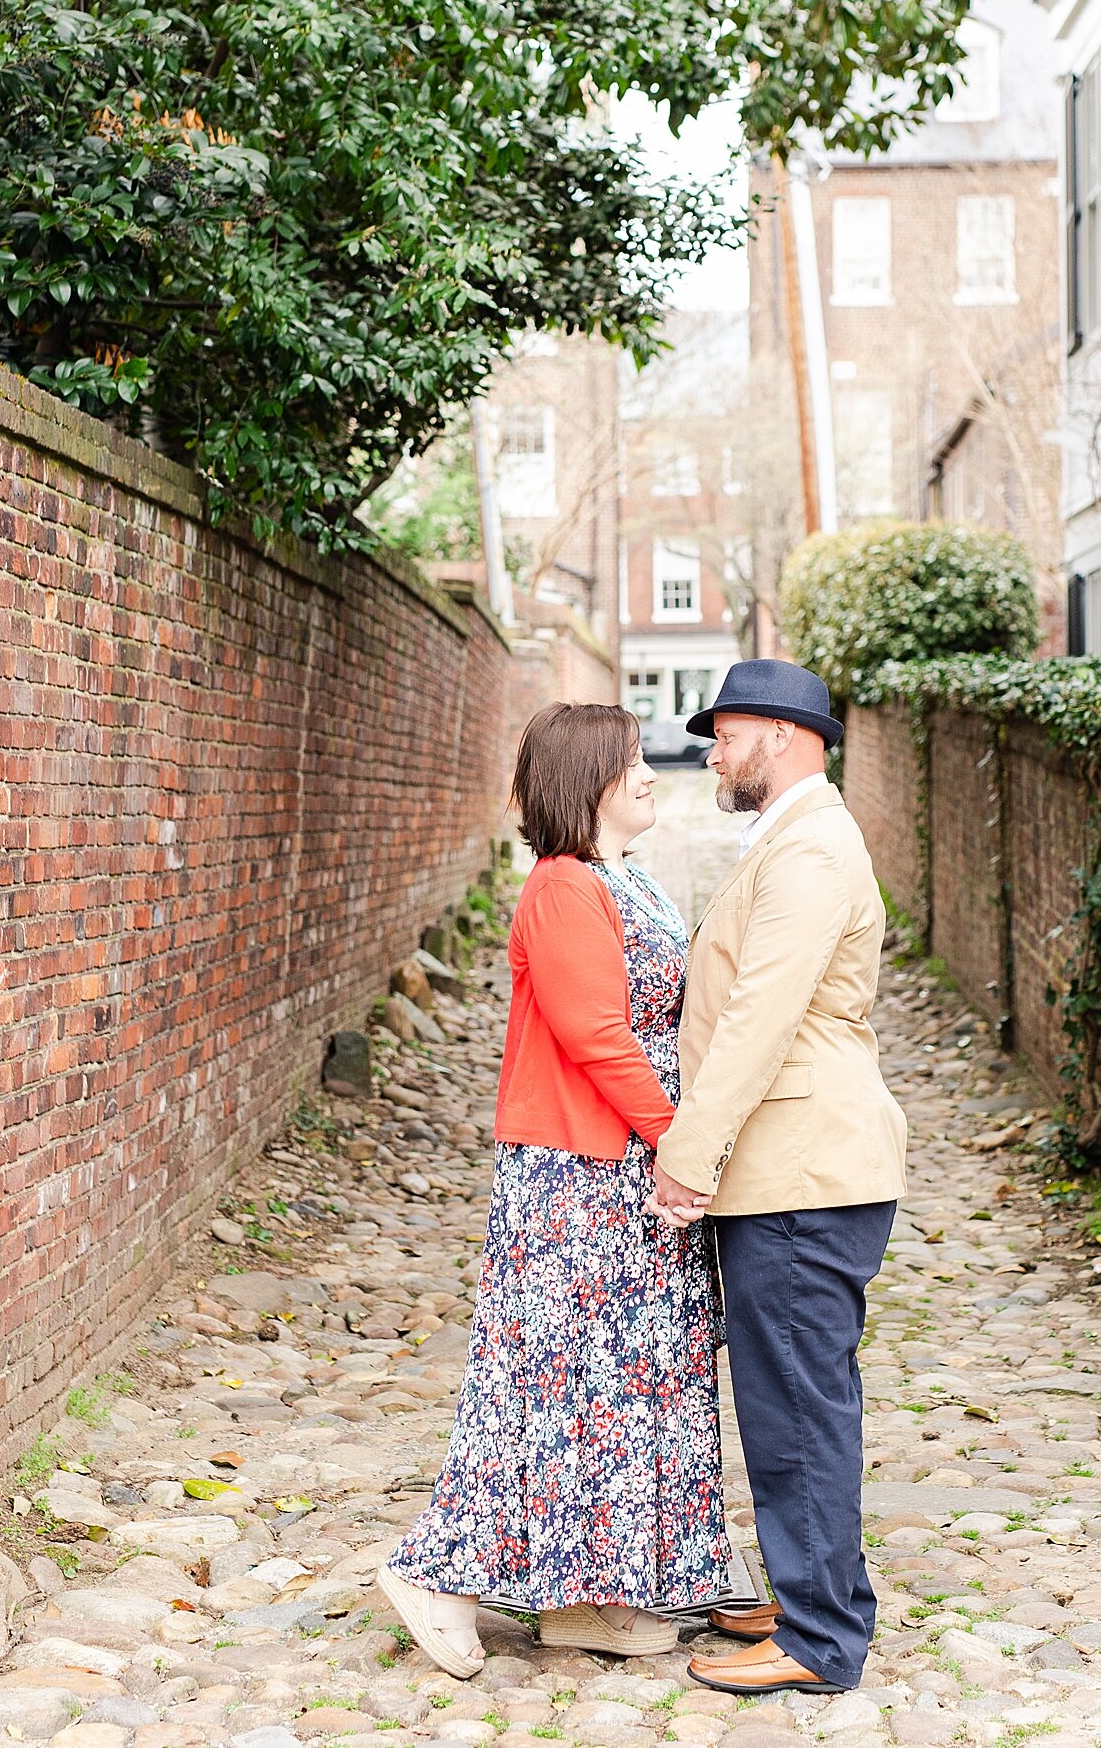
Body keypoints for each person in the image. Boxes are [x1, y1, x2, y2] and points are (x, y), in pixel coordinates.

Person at [381, 701, 729, 1678]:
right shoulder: (564, 888)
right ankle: (435, 1574)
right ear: (591, 782)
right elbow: (597, 1038)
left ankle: (588, 1595)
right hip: (580, 1176)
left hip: (627, 1173)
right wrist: (680, 1143)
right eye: (634, 761)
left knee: (618, 1385)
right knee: (555, 1387)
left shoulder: (631, 879)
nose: (656, 772)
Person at [648, 658, 908, 1700]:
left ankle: (820, 1640)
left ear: (786, 736)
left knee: (797, 1410)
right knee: (798, 1401)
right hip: (796, 1172)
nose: (714, 748)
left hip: (801, 1172)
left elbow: (761, 1017)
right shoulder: (794, 838)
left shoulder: (809, 849)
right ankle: (816, 1607)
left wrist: (687, 1155)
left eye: (729, 731)